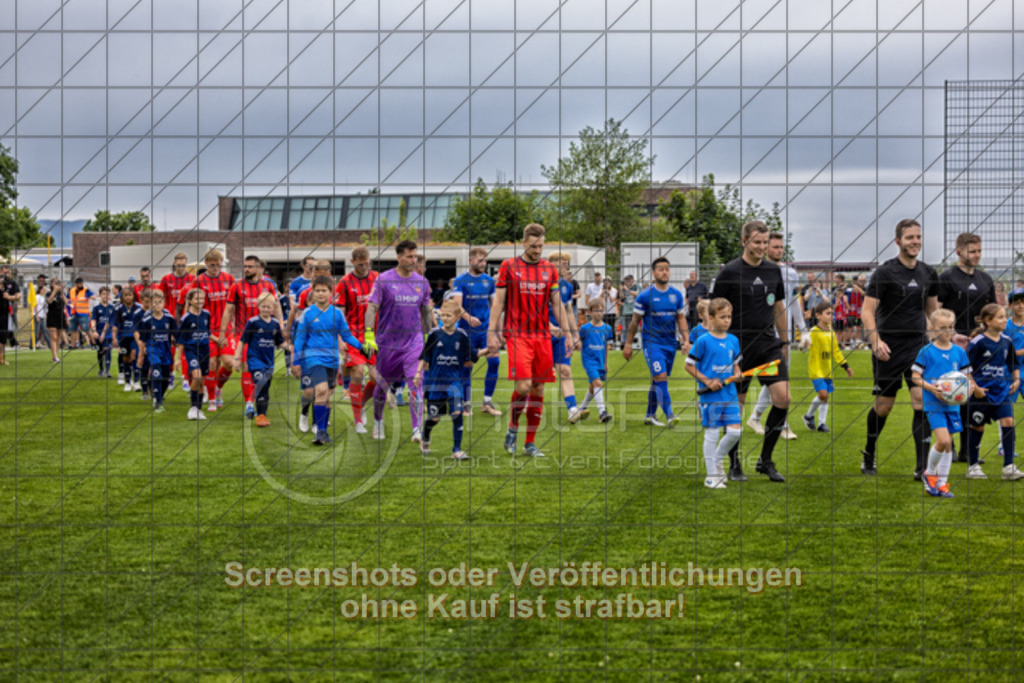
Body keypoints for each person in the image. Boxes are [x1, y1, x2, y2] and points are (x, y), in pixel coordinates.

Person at [709, 220, 789, 483]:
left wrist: (785, 342)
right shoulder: (729, 272)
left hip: (768, 346)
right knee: (736, 408)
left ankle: (766, 461)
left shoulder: (773, 271)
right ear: (744, 242)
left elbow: (778, 307)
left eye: (765, 243)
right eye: (757, 242)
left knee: (783, 398)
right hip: (737, 347)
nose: (762, 247)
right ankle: (734, 463)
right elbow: (714, 312)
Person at [487, 224, 576, 458]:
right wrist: (492, 331)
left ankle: (530, 443)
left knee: (538, 387)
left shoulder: (550, 270)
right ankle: (513, 427)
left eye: (541, 246)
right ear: (524, 242)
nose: (538, 251)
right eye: (534, 246)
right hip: (517, 335)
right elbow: (498, 302)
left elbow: (557, 305)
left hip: (543, 337)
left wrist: (567, 334)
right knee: (524, 385)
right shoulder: (509, 266)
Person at [860, 219, 940, 478]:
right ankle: (869, 453)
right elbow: (867, 311)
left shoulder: (929, 273)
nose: (915, 241)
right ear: (898, 242)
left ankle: (922, 467)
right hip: (889, 349)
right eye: (909, 238)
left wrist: (944, 338)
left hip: (918, 347)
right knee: (884, 406)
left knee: (921, 402)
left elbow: (933, 311)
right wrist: (876, 341)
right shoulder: (885, 272)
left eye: (918, 237)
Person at [364, 241, 434, 442]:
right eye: (409, 257)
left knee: (415, 383)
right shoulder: (384, 280)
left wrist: (428, 338)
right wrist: (369, 334)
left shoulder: (422, 282)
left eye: (415, 256)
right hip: (387, 344)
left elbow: (426, 312)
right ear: (399, 257)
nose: (414, 260)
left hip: (414, 343)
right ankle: (377, 421)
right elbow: (371, 308)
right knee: (382, 386)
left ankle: (416, 430)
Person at [936, 232, 997, 462]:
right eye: (972, 251)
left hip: (978, 346)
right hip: (952, 345)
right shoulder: (946, 278)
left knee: (974, 398)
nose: (977, 255)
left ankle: (967, 451)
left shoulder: (985, 280)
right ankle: (949, 448)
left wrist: (985, 335)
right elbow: (936, 312)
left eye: (979, 251)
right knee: (953, 396)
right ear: (959, 251)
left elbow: (992, 313)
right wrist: (949, 336)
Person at [746, 231, 808, 439]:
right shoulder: (755, 271)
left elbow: (793, 302)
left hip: (783, 333)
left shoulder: (790, 273)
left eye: (781, 247)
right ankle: (759, 418)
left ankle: (762, 418)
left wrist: (803, 329)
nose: (778, 251)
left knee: (780, 376)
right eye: (774, 247)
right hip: (760, 334)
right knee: (771, 376)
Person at [292, 276, 368, 445]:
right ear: (313, 291)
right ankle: (320, 431)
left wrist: (361, 347)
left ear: (330, 292)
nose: (320, 293)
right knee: (320, 390)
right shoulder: (307, 313)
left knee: (326, 395)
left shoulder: (337, 314)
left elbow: (346, 335)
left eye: (323, 290)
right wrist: (296, 362)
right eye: (317, 290)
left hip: (332, 360)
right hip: (313, 359)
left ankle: (323, 432)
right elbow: (299, 339)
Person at [911, 309, 972, 497]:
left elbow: (967, 377)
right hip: (933, 404)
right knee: (943, 440)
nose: (948, 331)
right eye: (943, 328)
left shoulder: (959, 352)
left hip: (952, 405)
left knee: (948, 444)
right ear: (932, 328)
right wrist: (931, 388)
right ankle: (929, 473)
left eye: (951, 327)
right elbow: (915, 377)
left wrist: (968, 390)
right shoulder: (926, 351)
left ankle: (943, 484)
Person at [623, 256, 690, 428]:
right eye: (660, 269)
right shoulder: (645, 296)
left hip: (670, 343)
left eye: (667, 268)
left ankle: (650, 415)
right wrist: (629, 344)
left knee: (658, 379)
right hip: (652, 343)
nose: (664, 272)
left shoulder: (676, 295)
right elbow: (634, 321)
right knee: (660, 376)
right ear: (653, 273)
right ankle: (669, 415)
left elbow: (681, 318)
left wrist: (686, 340)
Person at [685, 298, 743, 489]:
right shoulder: (703, 341)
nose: (727, 321)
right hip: (710, 395)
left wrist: (737, 374)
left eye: (729, 317)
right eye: (722, 317)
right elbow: (689, 365)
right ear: (710, 318)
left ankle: (717, 460)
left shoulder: (733, 340)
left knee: (735, 432)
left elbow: (735, 365)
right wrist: (707, 381)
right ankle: (711, 476)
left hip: (730, 393)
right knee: (713, 432)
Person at [963, 303, 1024, 480]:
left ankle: (1009, 466)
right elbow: (966, 368)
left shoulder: (1007, 341)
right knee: (978, 426)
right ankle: (972, 465)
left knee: (1008, 421)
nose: (1005, 320)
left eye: (1005, 317)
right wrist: (974, 387)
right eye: (1000, 317)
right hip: (981, 393)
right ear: (987, 321)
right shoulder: (977, 343)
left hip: (1001, 390)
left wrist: (1016, 379)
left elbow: (1013, 363)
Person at [221, 255, 282, 419]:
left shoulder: (268, 285)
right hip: (244, 333)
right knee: (246, 367)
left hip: (266, 335)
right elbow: (228, 310)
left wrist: (281, 325)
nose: (246, 269)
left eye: (250, 266)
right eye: (245, 266)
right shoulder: (236, 286)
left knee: (265, 371)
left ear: (257, 268)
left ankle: (256, 400)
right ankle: (249, 404)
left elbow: (276, 307)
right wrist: (222, 332)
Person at [416, 300, 477, 460]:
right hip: (436, 383)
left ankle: (456, 450)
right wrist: (417, 373)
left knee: (457, 414)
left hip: (455, 382)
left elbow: (473, 355)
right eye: (442, 315)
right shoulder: (435, 334)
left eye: (448, 315)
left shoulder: (462, 335)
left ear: (457, 317)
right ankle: (426, 437)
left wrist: (488, 350)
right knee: (434, 418)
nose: (445, 318)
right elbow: (425, 356)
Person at [451, 246, 502, 416]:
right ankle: (466, 403)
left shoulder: (489, 281)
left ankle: (487, 402)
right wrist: (468, 318)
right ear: (470, 261)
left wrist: (498, 331)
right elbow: (457, 306)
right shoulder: (460, 280)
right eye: (480, 260)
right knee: (467, 366)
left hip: (486, 330)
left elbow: (495, 306)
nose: (483, 263)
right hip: (467, 331)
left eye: (485, 260)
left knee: (494, 362)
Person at [334, 247, 380, 433]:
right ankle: (358, 420)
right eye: (360, 264)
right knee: (358, 373)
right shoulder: (344, 283)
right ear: (352, 262)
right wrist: (340, 339)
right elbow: (340, 313)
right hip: (353, 335)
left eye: (367, 262)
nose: (364, 266)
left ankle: (359, 402)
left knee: (377, 379)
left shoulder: (378, 278)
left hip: (374, 336)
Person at [186, 249, 236, 411]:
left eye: (218, 265)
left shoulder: (229, 279)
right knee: (212, 363)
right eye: (212, 265)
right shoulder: (199, 280)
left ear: (222, 264)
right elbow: (191, 302)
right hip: (207, 329)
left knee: (229, 363)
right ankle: (212, 398)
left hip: (227, 328)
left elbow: (234, 303)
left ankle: (218, 387)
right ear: (206, 264)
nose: (215, 268)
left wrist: (235, 322)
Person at [237, 292, 287, 427]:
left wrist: (291, 348)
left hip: (269, 362)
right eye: (263, 306)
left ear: (272, 308)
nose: (265, 309)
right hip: (255, 359)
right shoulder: (252, 322)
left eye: (268, 307)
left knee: (265, 389)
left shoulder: (275, 324)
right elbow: (243, 341)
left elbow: (280, 342)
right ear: (258, 306)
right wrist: (237, 358)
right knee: (261, 382)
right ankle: (260, 417)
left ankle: (259, 412)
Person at [802, 301, 853, 433]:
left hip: (827, 369)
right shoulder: (813, 331)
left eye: (832, 313)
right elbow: (804, 348)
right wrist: (804, 345)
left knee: (826, 397)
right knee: (823, 394)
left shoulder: (831, 332)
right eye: (828, 313)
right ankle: (808, 416)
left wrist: (845, 366)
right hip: (816, 369)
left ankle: (821, 424)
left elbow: (836, 351)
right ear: (818, 316)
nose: (831, 316)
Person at [547, 251, 585, 423]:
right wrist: (550, 326)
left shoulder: (567, 287)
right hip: (541, 334)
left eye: (567, 264)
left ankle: (572, 409)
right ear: (552, 264)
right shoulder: (541, 283)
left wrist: (575, 334)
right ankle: (526, 402)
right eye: (562, 264)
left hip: (561, 336)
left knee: (565, 370)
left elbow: (569, 312)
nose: (566, 267)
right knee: (537, 373)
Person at [158, 252, 197, 390]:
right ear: (174, 263)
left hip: (187, 318)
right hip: (169, 319)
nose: (181, 267)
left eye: (183, 264)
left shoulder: (192, 279)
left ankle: (185, 378)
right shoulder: (166, 279)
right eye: (178, 264)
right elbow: (160, 297)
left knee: (186, 348)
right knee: (171, 348)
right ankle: (170, 375)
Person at [135, 289, 175, 413]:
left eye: (160, 302)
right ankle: (158, 402)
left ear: (164, 303)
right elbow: (142, 338)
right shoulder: (146, 319)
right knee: (156, 372)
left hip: (166, 350)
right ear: (151, 304)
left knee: (166, 377)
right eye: (155, 303)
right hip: (153, 350)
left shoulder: (169, 317)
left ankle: (159, 394)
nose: (158, 305)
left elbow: (176, 333)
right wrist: (141, 354)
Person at [177, 288, 212, 420]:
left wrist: (218, 340)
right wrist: (178, 359)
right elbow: (181, 339)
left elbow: (207, 332)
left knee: (202, 381)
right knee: (196, 377)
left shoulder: (206, 314)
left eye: (202, 299)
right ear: (190, 301)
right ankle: (192, 408)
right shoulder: (186, 318)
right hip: (191, 350)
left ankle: (198, 410)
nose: (200, 301)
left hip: (205, 350)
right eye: (197, 299)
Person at [578, 298, 614, 423]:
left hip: (600, 362)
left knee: (593, 387)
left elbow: (607, 347)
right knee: (598, 384)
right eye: (596, 310)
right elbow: (579, 342)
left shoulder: (607, 328)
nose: (598, 313)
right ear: (590, 312)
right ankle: (602, 412)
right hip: (589, 361)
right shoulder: (584, 328)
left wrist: (605, 363)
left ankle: (582, 408)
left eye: (601, 310)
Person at [112, 288, 141, 391]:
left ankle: (137, 382)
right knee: (126, 359)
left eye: (130, 295)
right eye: (126, 295)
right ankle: (128, 382)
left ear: (134, 296)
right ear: (122, 297)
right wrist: (114, 337)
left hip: (135, 337)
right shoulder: (119, 309)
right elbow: (115, 324)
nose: (128, 297)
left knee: (134, 356)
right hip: (123, 337)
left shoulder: (138, 308)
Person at [89, 286, 116, 377]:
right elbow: (93, 320)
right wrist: (94, 331)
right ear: (100, 295)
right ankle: (101, 369)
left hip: (108, 333)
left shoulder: (112, 308)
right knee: (100, 352)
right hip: (98, 332)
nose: (105, 296)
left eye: (107, 294)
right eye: (103, 294)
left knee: (108, 350)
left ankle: (107, 371)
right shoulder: (96, 308)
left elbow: (111, 321)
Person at [0, 265, 20, 363]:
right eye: (4, 272)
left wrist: (10, 297)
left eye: (8, 272)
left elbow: (18, 296)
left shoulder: (12, 283)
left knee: (3, 337)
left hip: (5, 313)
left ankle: (1, 358)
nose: (6, 274)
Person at [67, 277, 93, 349]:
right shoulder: (71, 291)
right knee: (72, 330)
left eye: (81, 283)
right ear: (76, 284)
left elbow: (92, 295)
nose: (81, 285)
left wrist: (92, 297)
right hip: (74, 313)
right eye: (79, 284)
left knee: (86, 329)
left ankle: (93, 343)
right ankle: (73, 345)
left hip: (83, 314)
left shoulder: (86, 290)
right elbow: (67, 298)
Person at [45, 277, 67, 363]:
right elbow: (49, 301)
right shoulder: (49, 293)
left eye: (58, 283)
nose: (57, 284)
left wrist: (61, 291)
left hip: (60, 316)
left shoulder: (61, 294)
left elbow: (66, 302)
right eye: (55, 283)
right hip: (52, 316)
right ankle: (54, 356)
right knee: (53, 337)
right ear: (51, 284)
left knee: (58, 337)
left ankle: (56, 355)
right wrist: (54, 291)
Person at [619, 274, 639, 350]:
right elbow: (621, 297)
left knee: (634, 328)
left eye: (629, 280)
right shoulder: (624, 288)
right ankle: (624, 344)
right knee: (625, 329)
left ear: (632, 280)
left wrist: (627, 290)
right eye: (626, 280)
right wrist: (621, 289)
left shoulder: (637, 287)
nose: (627, 281)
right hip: (626, 311)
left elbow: (637, 294)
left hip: (634, 311)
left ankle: (633, 344)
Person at [32, 274, 50, 351]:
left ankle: (49, 344)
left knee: (44, 330)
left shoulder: (45, 293)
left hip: (42, 314)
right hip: (38, 315)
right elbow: (35, 305)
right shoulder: (37, 295)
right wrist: (37, 315)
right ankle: (32, 344)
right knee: (36, 330)